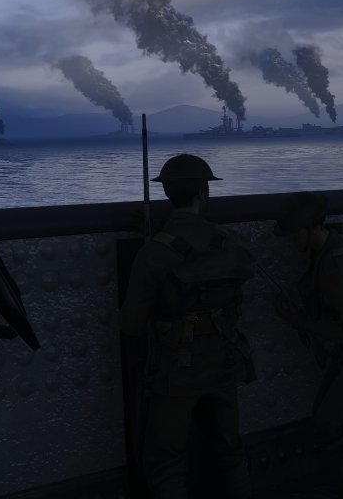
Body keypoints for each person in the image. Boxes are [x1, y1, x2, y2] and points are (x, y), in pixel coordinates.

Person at [121, 154, 255, 499]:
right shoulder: (226, 241)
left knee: (166, 462)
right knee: (230, 451)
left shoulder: (153, 253)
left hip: (178, 371)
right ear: (202, 193)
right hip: (223, 360)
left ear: (167, 194)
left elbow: (132, 324)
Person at [271, 192, 343, 498]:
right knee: (334, 420)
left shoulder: (337, 264)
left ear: (311, 228)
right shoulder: (325, 253)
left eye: (294, 233)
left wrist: (299, 321)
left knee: (330, 424)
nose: (291, 241)